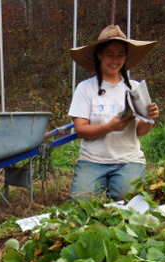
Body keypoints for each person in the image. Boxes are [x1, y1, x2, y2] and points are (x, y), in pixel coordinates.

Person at [68, 25, 159, 201]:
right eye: (110, 54)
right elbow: (81, 130)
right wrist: (110, 127)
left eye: (120, 55)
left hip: (128, 160)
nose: (115, 60)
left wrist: (150, 118)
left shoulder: (133, 88)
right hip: (92, 160)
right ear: (99, 55)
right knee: (79, 204)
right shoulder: (86, 88)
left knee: (127, 203)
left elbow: (141, 131)